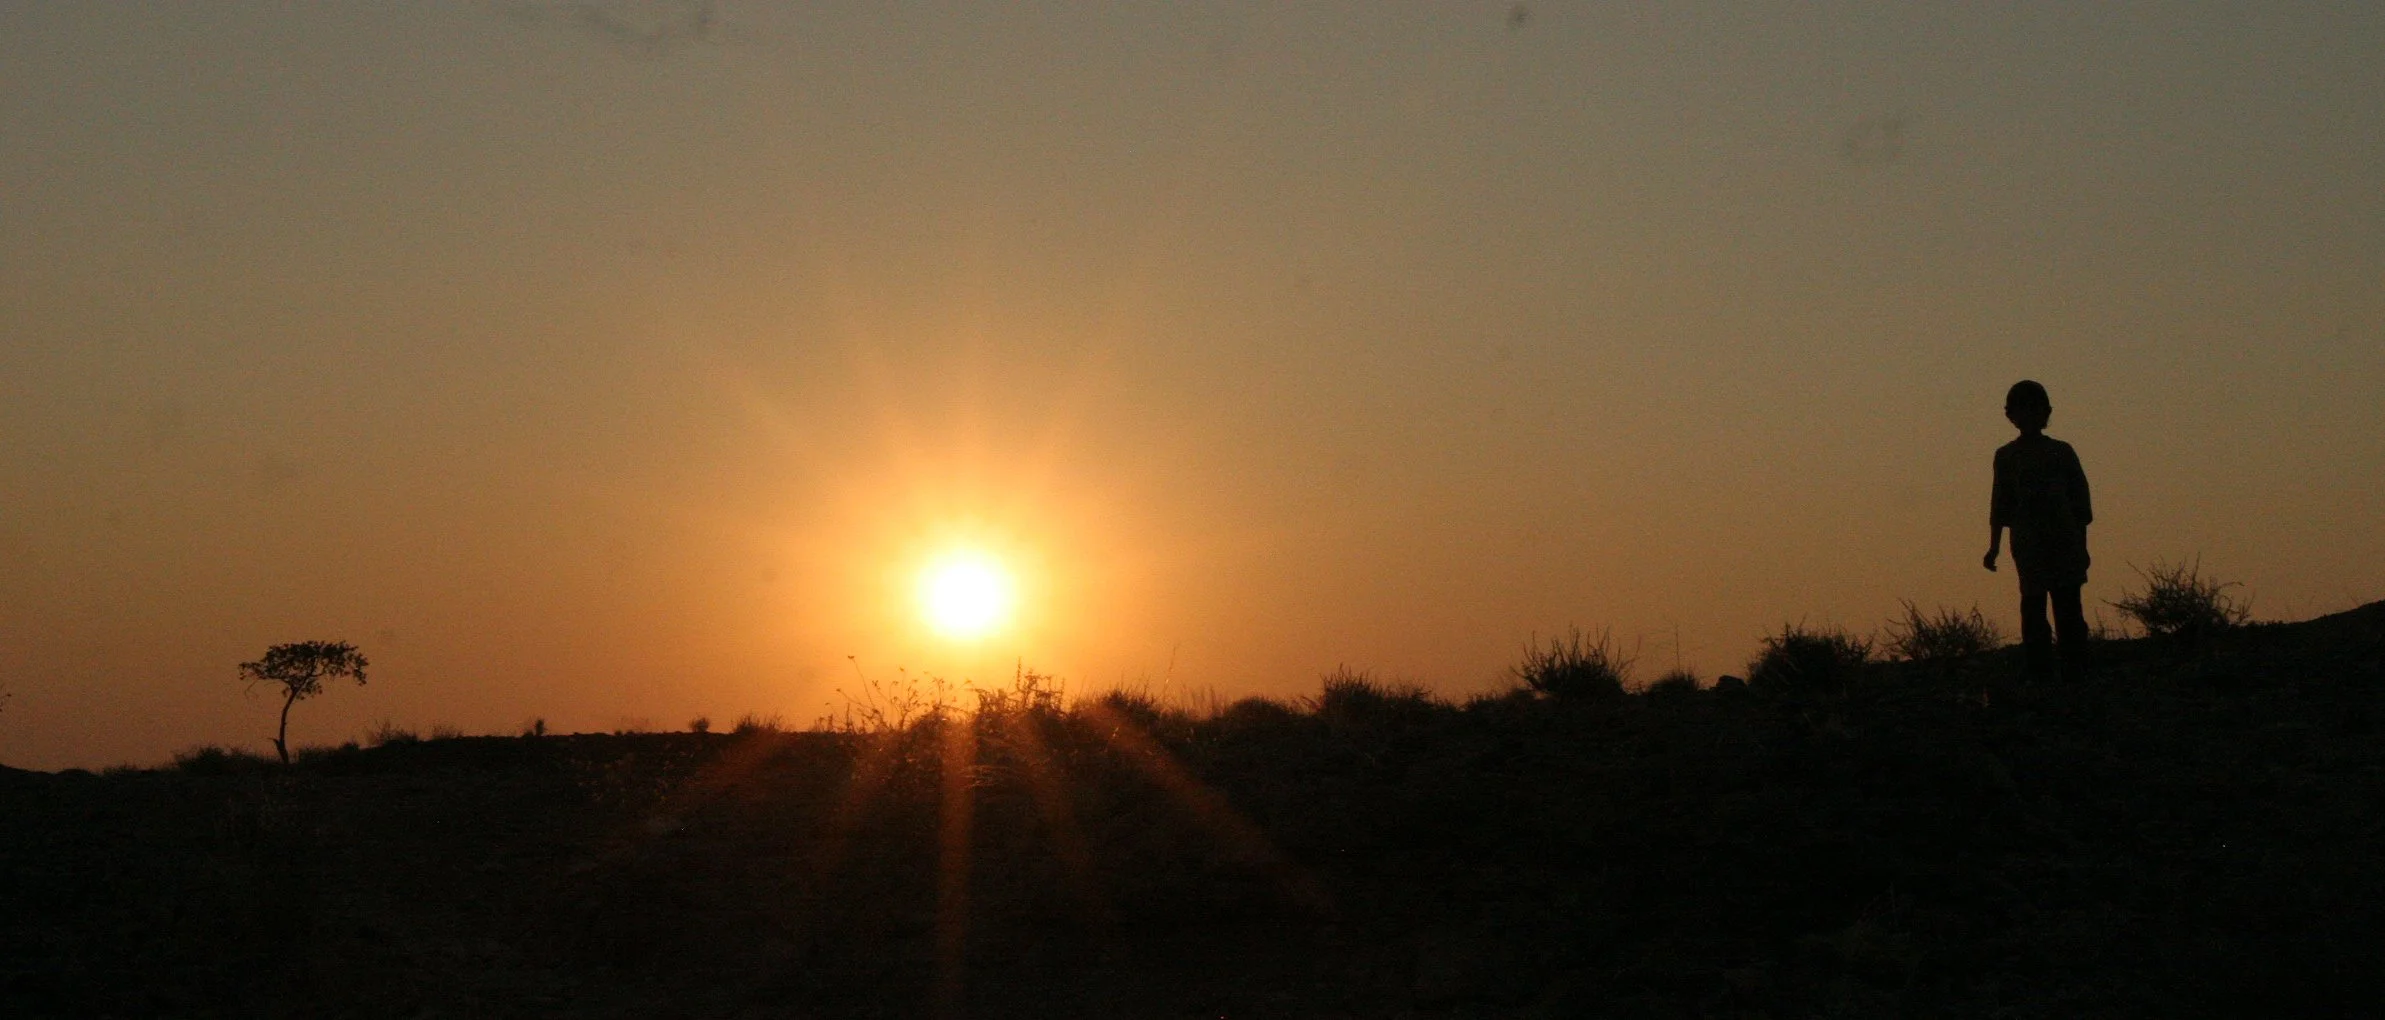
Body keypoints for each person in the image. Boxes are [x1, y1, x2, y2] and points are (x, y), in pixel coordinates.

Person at [1983, 380, 2092, 681]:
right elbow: (2000, 503)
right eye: (2022, 410)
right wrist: (1994, 546)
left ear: (2045, 413)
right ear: (2011, 416)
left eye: (2035, 409)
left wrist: (2082, 546)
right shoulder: (2006, 457)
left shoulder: (2061, 452)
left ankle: (2075, 669)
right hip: (2028, 544)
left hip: (2064, 541)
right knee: (2033, 607)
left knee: (2068, 606)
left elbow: (2080, 504)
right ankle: (2040, 672)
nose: (2028, 416)